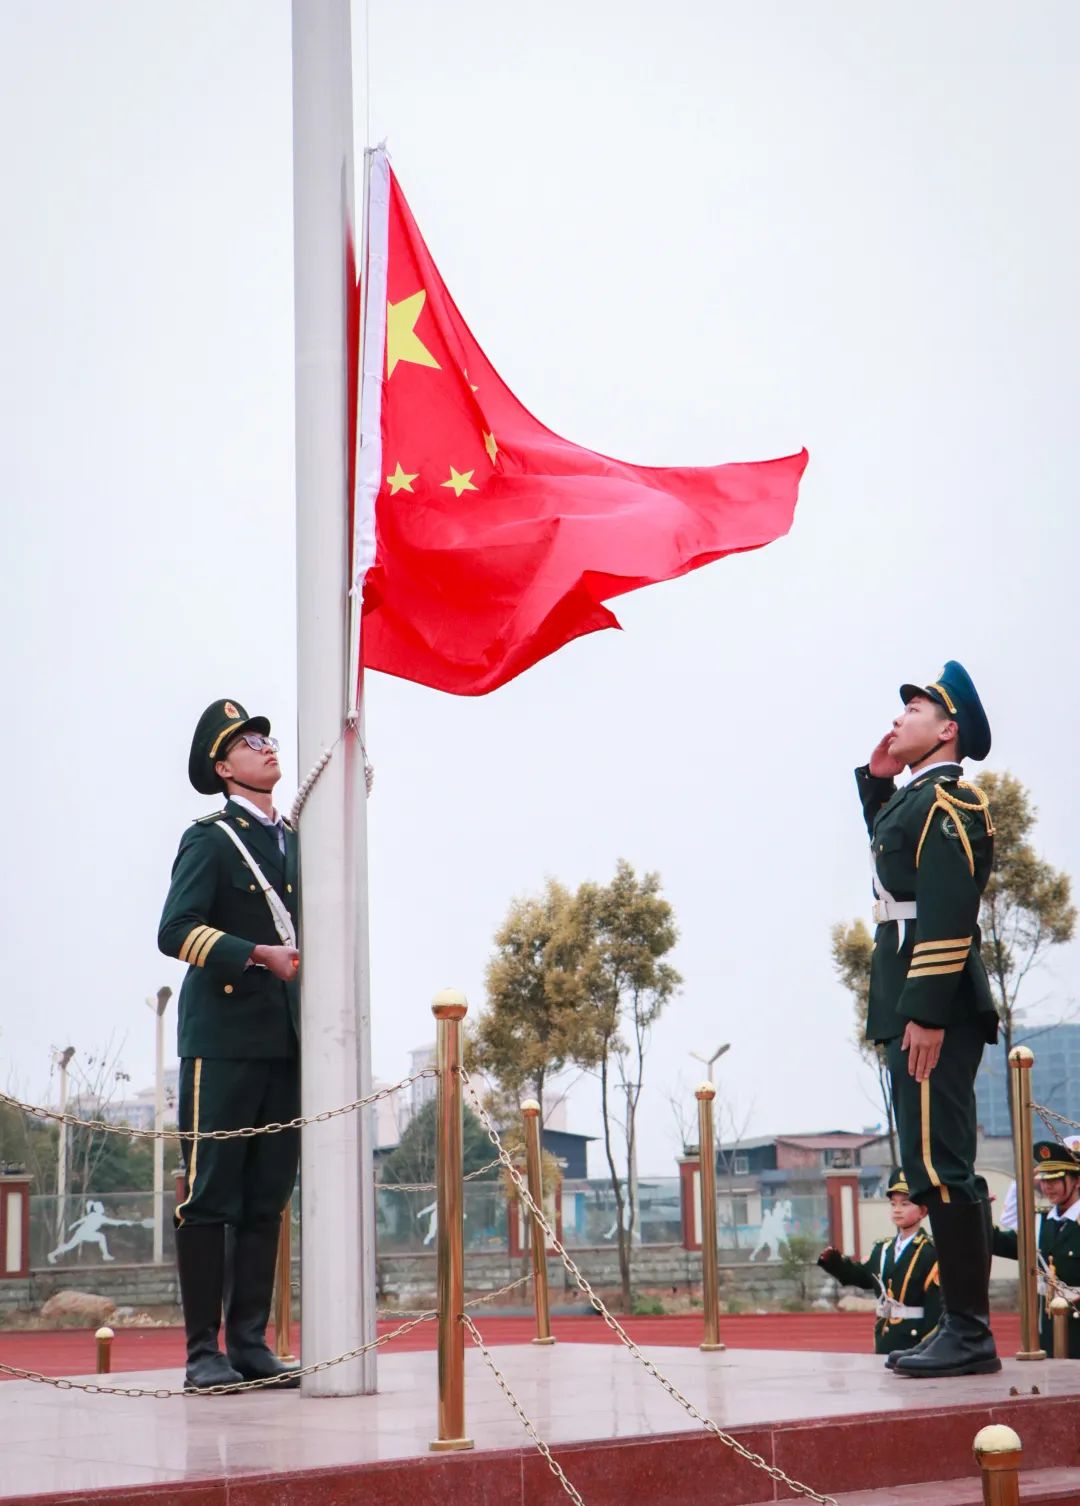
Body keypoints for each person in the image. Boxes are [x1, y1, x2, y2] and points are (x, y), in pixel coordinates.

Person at [856, 661, 999, 1378]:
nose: (897, 718)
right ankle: (968, 1334)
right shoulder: (917, 800)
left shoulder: (953, 804)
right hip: (913, 1001)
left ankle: (969, 1334)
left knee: (943, 1167)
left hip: (930, 1007)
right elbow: (893, 862)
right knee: (931, 1163)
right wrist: (880, 780)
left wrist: (926, 1012)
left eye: (913, 710)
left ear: (948, 731)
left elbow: (947, 911)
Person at [159, 699, 301, 1392]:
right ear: (224, 767)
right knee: (211, 1196)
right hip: (221, 1041)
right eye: (249, 742)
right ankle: (201, 1354)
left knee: (266, 1196)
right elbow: (175, 930)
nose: (266, 748)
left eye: (267, 738)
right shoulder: (210, 839)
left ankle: (249, 1344)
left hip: (286, 1042)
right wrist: (255, 955)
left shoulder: (298, 839)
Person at [817, 1168, 941, 1357]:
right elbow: (863, 1277)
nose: (897, 1209)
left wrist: (926, 1347)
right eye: (893, 1204)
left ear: (923, 1211)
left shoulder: (930, 1252)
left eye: (905, 1204)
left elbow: (935, 1310)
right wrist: (835, 1263)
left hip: (915, 1342)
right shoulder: (883, 1249)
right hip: (884, 1338)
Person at [993, 1140, 1080, 1357]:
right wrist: (978, 1215)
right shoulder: (1041, 1223)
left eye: (1055, 1179)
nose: (1047, 1186)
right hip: (1048, 1323)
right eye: (1043, 1180)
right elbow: (1002, 1241)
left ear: (1077, 1180)